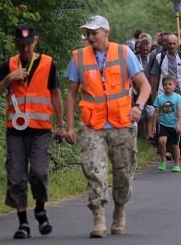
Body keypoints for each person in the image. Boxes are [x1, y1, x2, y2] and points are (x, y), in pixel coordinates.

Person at [65, 15, 151, 238]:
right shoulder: (78, 58)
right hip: (92, 124)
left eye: (94, 32)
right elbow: (72, 94)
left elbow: (145, 86)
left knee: (123, 173)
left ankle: (119, 213)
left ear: (106, 33)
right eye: (87, 33)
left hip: (122, 123)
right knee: (94, 170)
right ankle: (99, 218)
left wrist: (139, 107)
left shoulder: (123, 53)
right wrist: (70, 126)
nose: (90, 37)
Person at [0, 23, 66, 239]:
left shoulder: (48, 63)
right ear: (15, 43)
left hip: (41, 130)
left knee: (39, 173)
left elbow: (56, 94)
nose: (25, 49)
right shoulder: (8, 64)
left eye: (29, 44)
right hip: (15, 131)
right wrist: (8, 79)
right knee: (16, 178)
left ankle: (40, 208)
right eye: (21, 45)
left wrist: (60, 125)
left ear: (36, 41)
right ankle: (23, 224)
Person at [152, 74, 181, 172]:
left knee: (175, 145)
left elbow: (179, 111)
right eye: (165, 84)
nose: (167, 86)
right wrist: (153, 125)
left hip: (174, 125)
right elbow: (156, 112)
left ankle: (177, 164)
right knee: (162, 141)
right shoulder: (160, 98)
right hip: (163, 124)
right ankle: (163, 161)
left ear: (175, 85)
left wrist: (179, 123)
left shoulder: (178, 97)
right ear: (162, 85)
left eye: (170, 84)